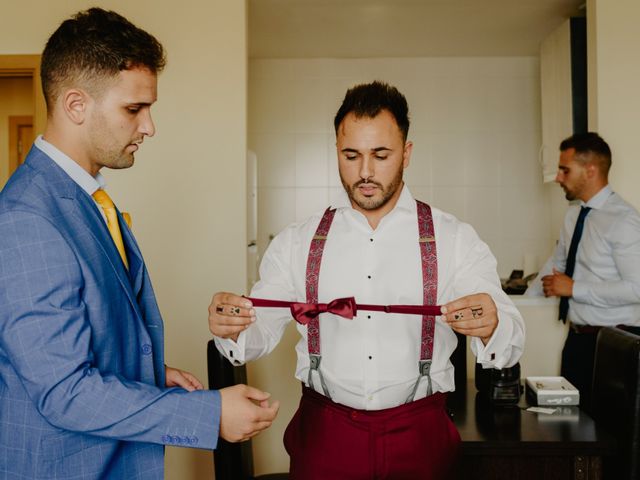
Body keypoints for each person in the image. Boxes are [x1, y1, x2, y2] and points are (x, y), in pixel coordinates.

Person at [0, 8, 278, 479]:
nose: (149, 127)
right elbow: (64, 391)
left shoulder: (87, 198)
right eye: (134, 109)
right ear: (75, 105)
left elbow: (83, 335)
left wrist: (148, 374)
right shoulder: (26, 219)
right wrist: (208, 415)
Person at [209, 81, 525, 479]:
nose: (365, 172)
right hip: (324, 437)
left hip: (421, 438)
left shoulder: (455, 238)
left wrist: (494, 324)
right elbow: (255, 336)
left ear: (406, 154)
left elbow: (510, 340)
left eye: (381, 155)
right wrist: (232, 328)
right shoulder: (297, 241)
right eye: (351, 155)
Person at [526, 132, 640, 410]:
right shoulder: (573, 215)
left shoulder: (624, 220)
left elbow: (637, 288)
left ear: (590, 171)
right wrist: (511, 306)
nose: (558, 178)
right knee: (569, 424)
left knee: (609, 436)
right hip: (577, 341)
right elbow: (556, 266)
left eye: (565, 170)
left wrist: (574, 288)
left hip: (617, 345)